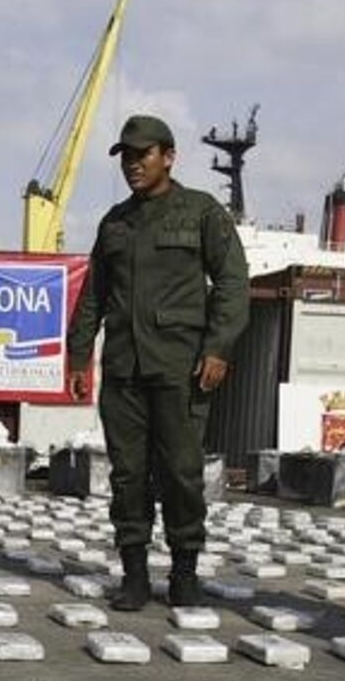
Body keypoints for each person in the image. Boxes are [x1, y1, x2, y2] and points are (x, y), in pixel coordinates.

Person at [67, 114, 249, 611]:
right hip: (123, 372)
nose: (132, 165)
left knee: (181, 473)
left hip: (180, 370)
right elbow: (93, 296)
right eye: (126, 157)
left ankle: (185, 571)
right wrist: (79, 356)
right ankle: (134, 575)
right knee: (127, 475)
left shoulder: (202, 213)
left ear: (168, 156)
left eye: (142, 155)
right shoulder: (115, 223)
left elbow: (233, 283)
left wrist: (218, 347)